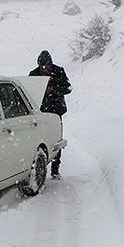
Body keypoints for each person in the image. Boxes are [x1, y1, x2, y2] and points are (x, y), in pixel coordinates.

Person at [29, 50, 72, 179]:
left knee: (55, 140)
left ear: (51, 64)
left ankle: (55, 170)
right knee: (38, 141)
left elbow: (68, 88)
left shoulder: (59, 71)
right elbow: (29, 91)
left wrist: (53, 89)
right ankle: (38, 169)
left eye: (47, 66)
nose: (44, 68)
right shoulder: (33, 74)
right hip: (39, 112)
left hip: (55, 111)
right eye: (42, 66)